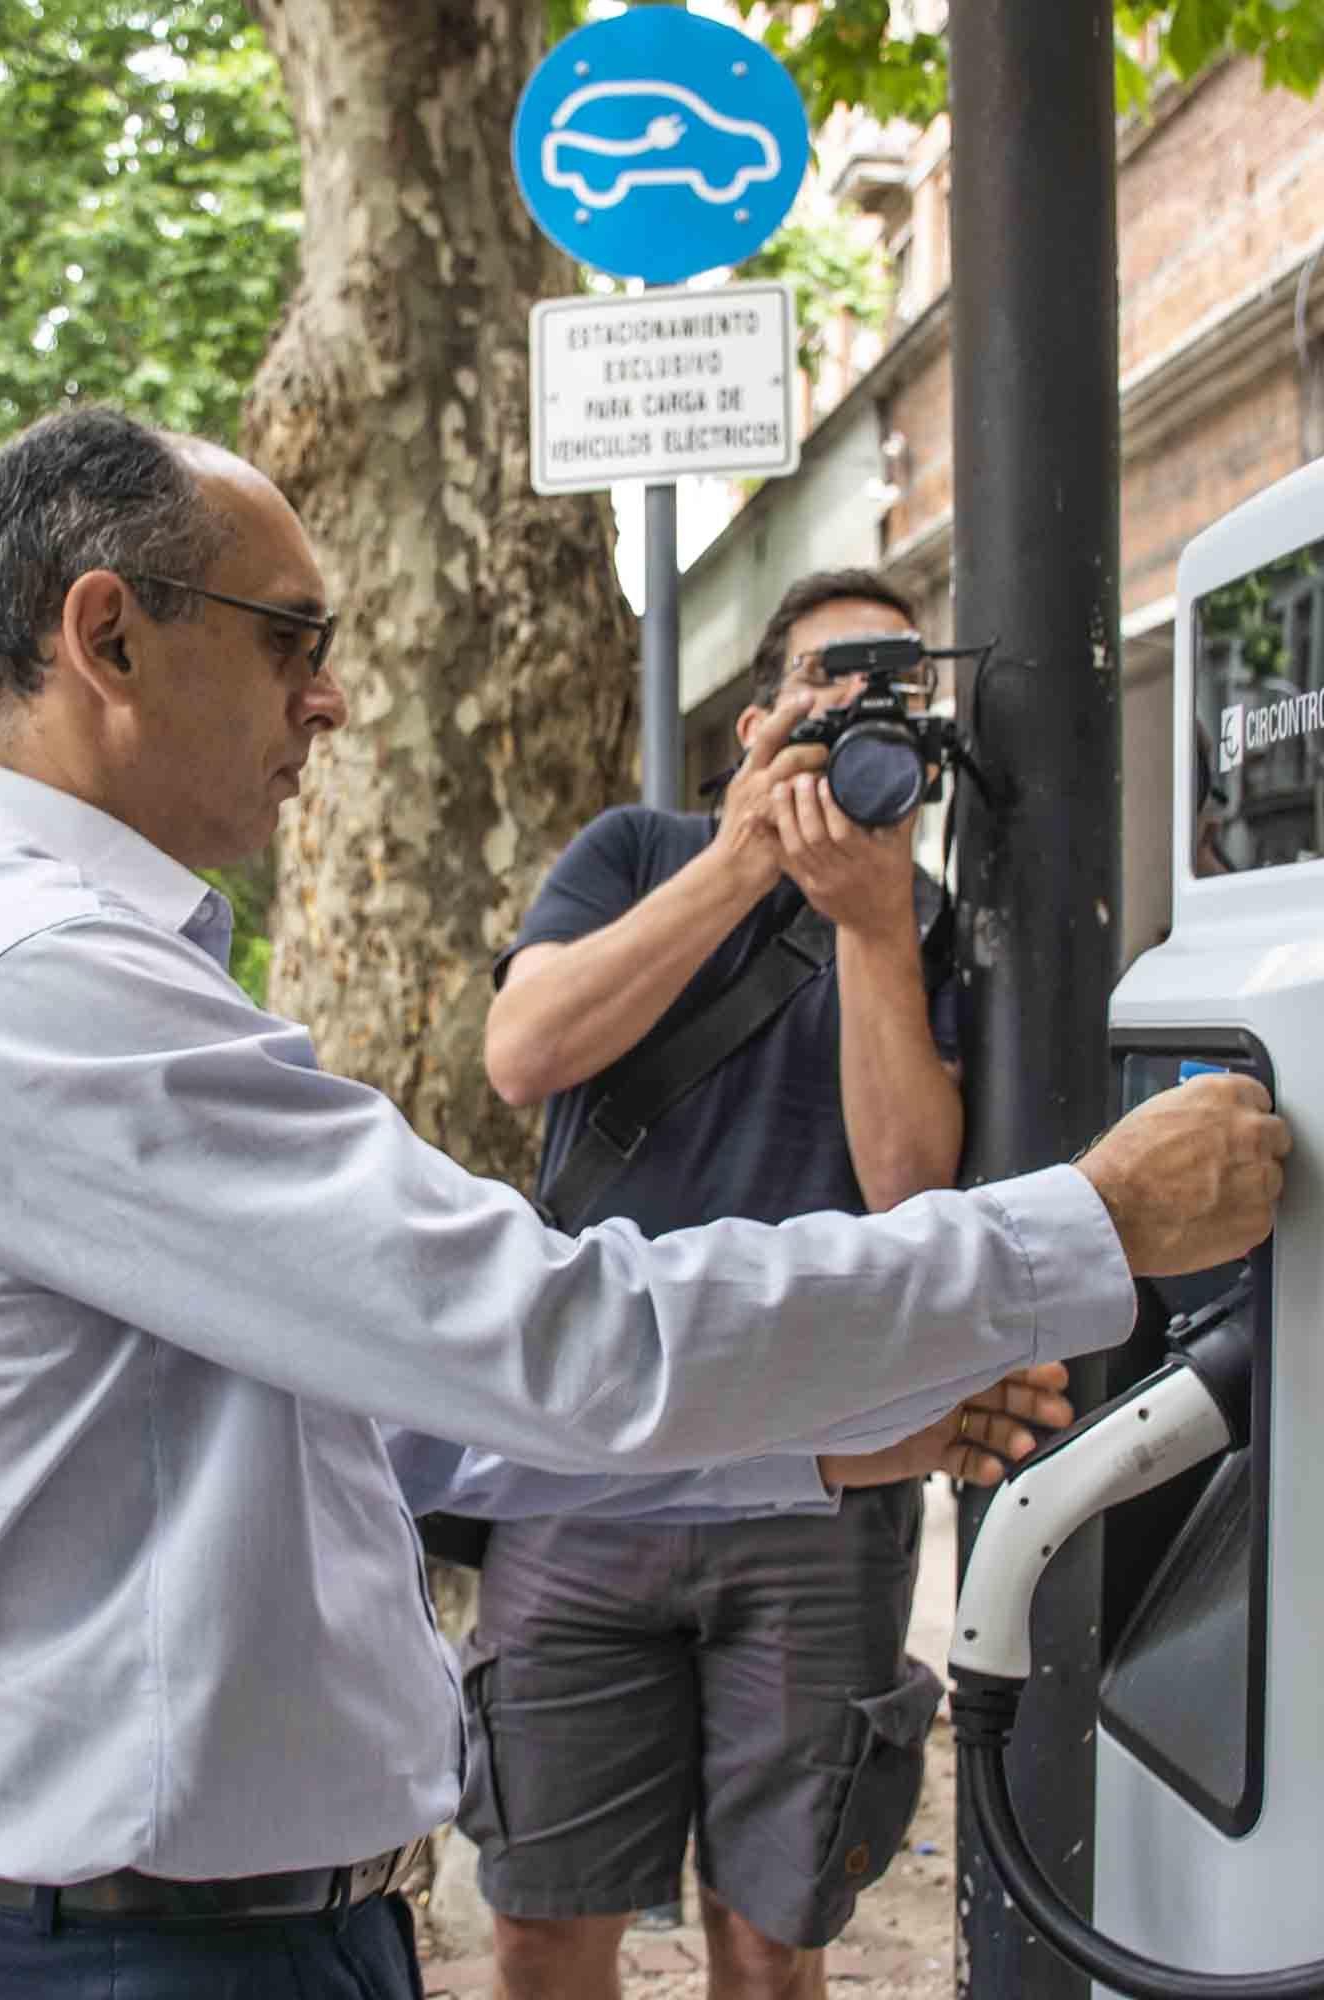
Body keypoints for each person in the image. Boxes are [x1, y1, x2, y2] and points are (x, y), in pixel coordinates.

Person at [0, 407, 1290, 2000]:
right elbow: (545, 1328)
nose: (331, 696)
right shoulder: (39, 987)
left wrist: (847, 1434)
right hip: (141, 1956)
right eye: (291, 638)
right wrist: (1096, 1224)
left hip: (218, 1930)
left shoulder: (62, 967)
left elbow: (388, 1424)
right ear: (107, 634)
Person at [466, 569, 1035, 1998]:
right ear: (755, 721)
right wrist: (744, 865)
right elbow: (524, 1055)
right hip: (588, 1457)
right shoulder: (635, 850)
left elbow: (910, 1190)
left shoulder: (929, 917)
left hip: (825, 1472)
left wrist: (868, 926)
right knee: (543, 1915)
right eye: (835, 678)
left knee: (776, 1933)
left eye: (901, 684)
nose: (864, 710)